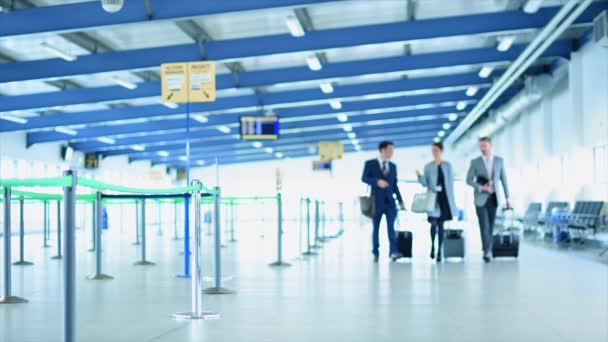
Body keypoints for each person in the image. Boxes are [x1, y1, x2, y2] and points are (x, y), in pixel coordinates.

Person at [466, 136, 511, 263]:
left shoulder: (499, 161)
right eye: (481, 146)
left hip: (494, 198)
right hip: (480, 199)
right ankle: (487, 251)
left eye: (484, 146)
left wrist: (508, 198)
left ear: (490, 146)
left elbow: (504, 180)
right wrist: (481, 187)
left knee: (491, 226)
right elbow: (468, 180)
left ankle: (487, 247)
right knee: (484, 225)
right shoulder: (475, 162)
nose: (482, 148)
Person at [361, 141, 406, 262]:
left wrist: (401, 201)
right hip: (376, 202)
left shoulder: (393, 166)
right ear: (382, 150)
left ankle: (393, 252)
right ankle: (375, 252)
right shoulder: (370, 164)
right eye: (390, 149)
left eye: (392, 150)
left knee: (391, 228)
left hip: (390, 202)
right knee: (375, 228)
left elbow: (395, 185)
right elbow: (364, 178)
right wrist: (376, 182)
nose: (392, 152)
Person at [416, 142, 457, 263]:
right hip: (433, 199)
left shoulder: (448, 166)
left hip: (444, 199)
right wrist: (419, 176)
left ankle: (440, 251)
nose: (434, 153)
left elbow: (450, 184)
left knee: (441, 225)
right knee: (433, 224)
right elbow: (425, 183)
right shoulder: (428, 166)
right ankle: (432, 246)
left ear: (441, 151)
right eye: (432, 150)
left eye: (436, 150)